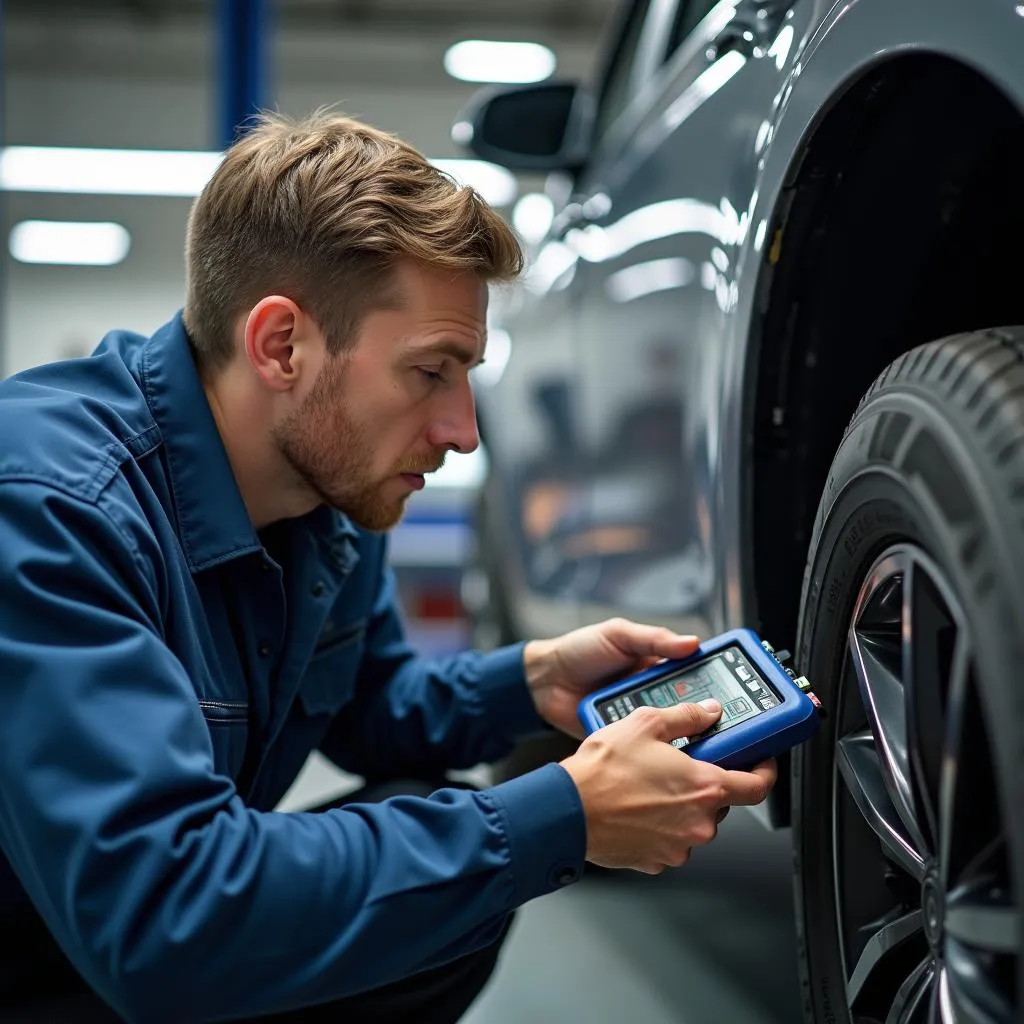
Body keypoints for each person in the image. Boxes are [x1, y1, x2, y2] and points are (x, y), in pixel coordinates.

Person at [0, 110, 776, 1024]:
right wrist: (562, 814)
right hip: (62, 960)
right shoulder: (51, 507)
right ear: (282, 344)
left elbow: (368, 710)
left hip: (119, 942)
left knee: (447, 869)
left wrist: (531, 684)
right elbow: (163, 914)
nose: (463, 431)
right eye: (430, 372)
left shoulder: (321, 491)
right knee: (478, 855)